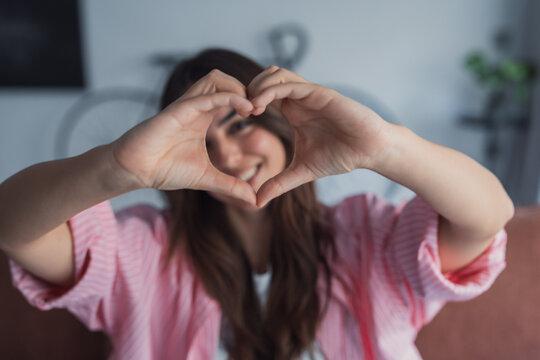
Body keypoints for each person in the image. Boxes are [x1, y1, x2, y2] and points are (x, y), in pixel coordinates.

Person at [0, 48, 513, 360]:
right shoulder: (143, 249)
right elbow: (12, 226)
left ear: (281, 120)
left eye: (240, 124)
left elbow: (488, 216)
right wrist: (119, 166)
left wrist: (384, 147)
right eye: (203, 137)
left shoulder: (366, 234)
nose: (225, 153)